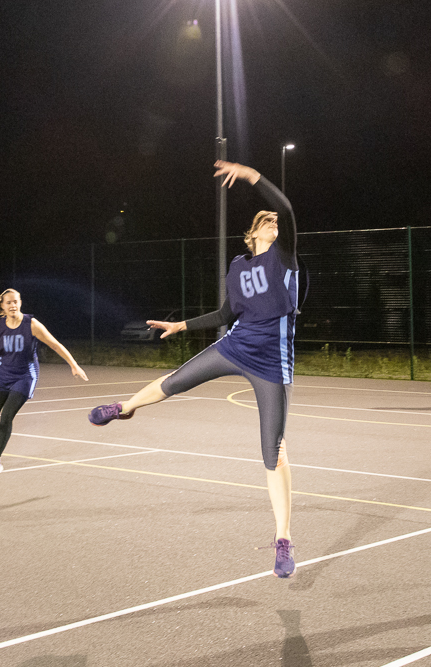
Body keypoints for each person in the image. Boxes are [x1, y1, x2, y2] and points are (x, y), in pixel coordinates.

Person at [88, 160, 301, 578]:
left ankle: (283, 539)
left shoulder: (285, 257)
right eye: (266, 220)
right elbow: (226, 312)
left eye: (276, 221)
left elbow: (288, 210)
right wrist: (182, 324)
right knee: (176, 381)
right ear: (252, 233)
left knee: (273, 453)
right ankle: (125, 407)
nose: (274, 221)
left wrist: (252, 176)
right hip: (236, 346)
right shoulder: (238, 268)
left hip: (273, 364)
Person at [0, 289, 89, 474]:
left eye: (15, 301)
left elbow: (55, 344)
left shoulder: (31, 324)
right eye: (8, 303)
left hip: (24, 376)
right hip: (2, 376)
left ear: (20, 303)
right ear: (2, 306)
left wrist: (73, 365)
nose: (13, 305)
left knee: (6, 417)